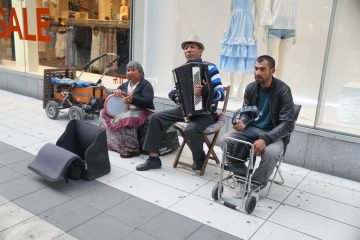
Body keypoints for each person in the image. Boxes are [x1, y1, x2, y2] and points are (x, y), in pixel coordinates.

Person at [136, 35, 225, 171]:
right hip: (186, 110)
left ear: (201, 51)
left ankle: (199, 157)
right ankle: (153, 159)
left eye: (192, 47)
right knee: (156, 117)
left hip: (206, 112)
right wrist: (174, 96)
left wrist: (207, 90)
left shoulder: (210, 68)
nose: (188, 50)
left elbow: (221, 93)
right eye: (186, 48)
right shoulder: (181, 70)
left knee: (190, 129)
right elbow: (174, 90)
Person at [220, 55, 295, 186]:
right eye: (256, 69)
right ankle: (241, 175)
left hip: (274, 133)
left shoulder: (283, 90)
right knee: (225, 140)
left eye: (262, 69)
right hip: (252, 129)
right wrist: (243, 123)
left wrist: (266, 139)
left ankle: (255, 185)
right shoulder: (250, 88)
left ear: (272, 71)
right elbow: (247, 112)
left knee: (271, 153)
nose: (257, 72)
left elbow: (287, 124)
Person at [99, 61, 154, 158]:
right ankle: (112, 143)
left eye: (133, 70)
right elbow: (113, 97)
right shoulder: (124, 85)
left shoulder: (145, 85)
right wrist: (116, 91)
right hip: (125, 110)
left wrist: (133, 99)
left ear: (140, 72)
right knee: (103, 112)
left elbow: (148, 101)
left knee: (126, 118)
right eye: (128, 70)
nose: (130, 72)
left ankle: (132, 149)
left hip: (141, 111)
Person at [219, 0, 257, 99]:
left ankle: (241, 88)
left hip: (247, 23)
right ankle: (230, 86)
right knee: (231, 53)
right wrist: (226, 26)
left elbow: (257, 12)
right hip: (233, 22)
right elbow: (230, 9)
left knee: (245, 54)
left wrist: (255, 29)